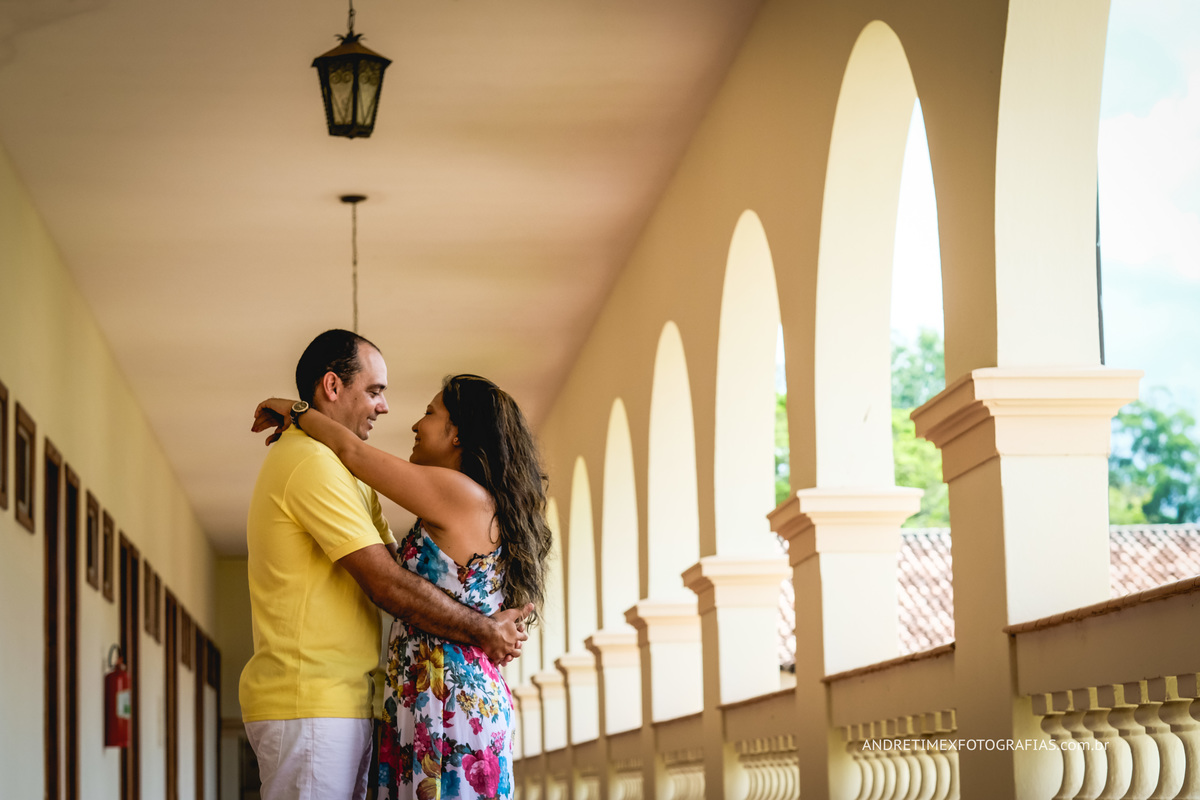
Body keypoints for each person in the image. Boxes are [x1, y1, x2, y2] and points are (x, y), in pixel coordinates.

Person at [241, 330, 531, 800]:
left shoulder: (388, 480)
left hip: (435, 700)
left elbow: (394, 576)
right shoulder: (314, 462)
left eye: (428, 413)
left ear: (459, 433)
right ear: (333, 387)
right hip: (334, 702)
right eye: (375, 391)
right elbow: (390, 580)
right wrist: (483, 628)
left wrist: (296, 410)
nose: (391, 411)